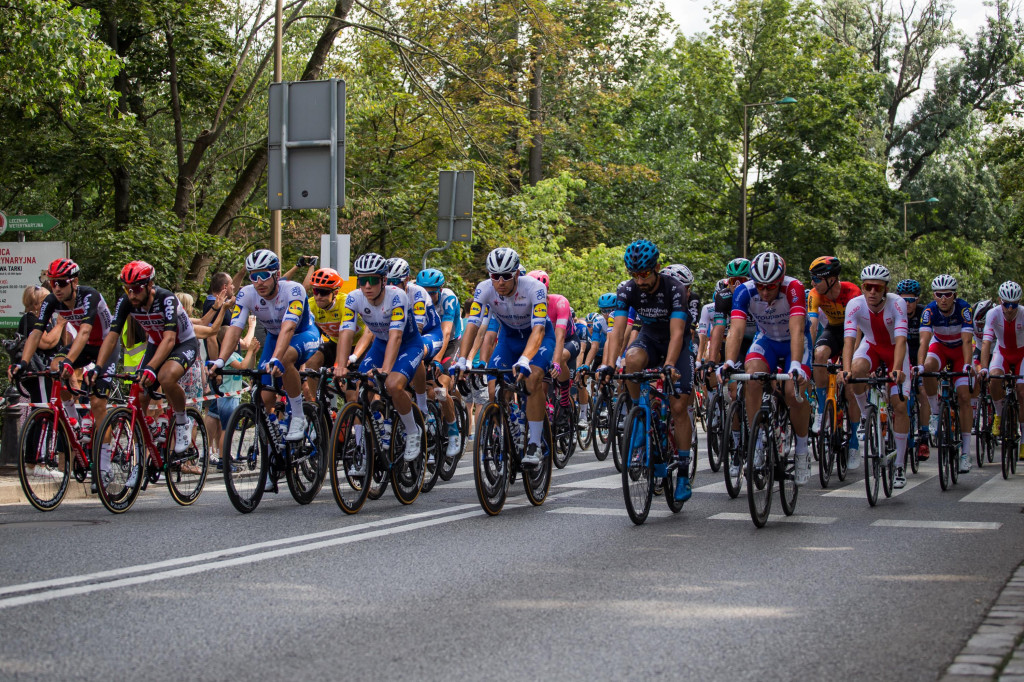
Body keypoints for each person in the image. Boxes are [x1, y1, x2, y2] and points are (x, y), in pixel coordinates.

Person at [208, 249, 321, 489]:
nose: (258, 282)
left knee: (286, 359)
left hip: (302, 335)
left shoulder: (294, 290)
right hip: (273, 337)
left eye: (264, 275)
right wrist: (219, 361)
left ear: (277, 274)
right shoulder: (247, 294)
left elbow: (289, 329)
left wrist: (277, 360)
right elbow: (234, 330)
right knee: (263, 397)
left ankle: (298, 414)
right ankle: (273, 459)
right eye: (253, 276)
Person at [598, 240, 694, 502]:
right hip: (650, 338)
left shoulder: (674, 289)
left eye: (645, 274)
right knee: (631, 359)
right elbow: (617, 332)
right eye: (634, 274)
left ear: (657, 268)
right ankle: (639, 415)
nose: (640, 281)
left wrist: (670, 365)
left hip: (676, 342)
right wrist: (609, 363)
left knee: (678, 407)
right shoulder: (627, 289)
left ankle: (683, 471)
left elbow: (676, 334)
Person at [10, 258, 115, 486]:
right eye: (52, 282)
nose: (56, 287)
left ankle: (105, 465)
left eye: (61, 283)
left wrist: (70, 360)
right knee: (56, 367)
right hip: (85, 345)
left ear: (74, 282)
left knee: (97, 404)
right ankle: (74, 421)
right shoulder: (51, 300)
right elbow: (36, 333)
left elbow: (85, 331)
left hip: (106, 345)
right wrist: (23, 363)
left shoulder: (89, 296)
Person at [452, 247, 555, 468]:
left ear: (517, 273)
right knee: (494, 389)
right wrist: (463, 359)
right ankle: (510, 426)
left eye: (506, 276)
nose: (500, 281)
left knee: (532, 378)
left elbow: (538, 331)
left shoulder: (534, 289)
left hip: (538, 338)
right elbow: (473, 325)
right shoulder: (484, 289)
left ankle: (535, 443)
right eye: (494, 276)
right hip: (508, 340)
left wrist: (526, 359)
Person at [91, 262, 200, 464]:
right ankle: (146, 438)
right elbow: (112, 336)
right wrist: (98, 367)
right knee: (139, 391)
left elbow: (169, 339)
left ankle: (182, 421)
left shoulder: (166, 298)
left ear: (150, 285)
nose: (131, 294)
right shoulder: (126, 302)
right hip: (155, 343)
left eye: (137, 289)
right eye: (127, 289)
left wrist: (150, 368)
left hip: (182, 343)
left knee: (165, 377)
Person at [720, 251, 812, 485]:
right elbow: (737, 330)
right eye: (760, 286)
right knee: (751, 378)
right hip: (767, 340)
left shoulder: (794, 288)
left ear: (780, 281)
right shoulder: (743, 291)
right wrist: (729, 362)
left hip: (793, 341)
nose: (764, 292)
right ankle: (757, 441)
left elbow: (798, 330)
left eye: (770, 287)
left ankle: (802, 452)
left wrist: (794, 365)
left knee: (793, 392)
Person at [334, 253, 426, 464]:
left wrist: (385, 369)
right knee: (359, 386)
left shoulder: (397, 296)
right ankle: (372, 434)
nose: (367, 286)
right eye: (362, 280)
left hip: (408, 344)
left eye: (373, 280)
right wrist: (341, 365)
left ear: (384, 280)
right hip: (380, 345)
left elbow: (396, 335)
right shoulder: (353, 298)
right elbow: (346, 332)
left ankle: (413, 432)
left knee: (393, 385)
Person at [841, 264, 911, 487]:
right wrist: (846, 369)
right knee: (856, 369)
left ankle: (899, 466)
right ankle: (865, 416)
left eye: (877, 288)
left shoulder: (897, 303)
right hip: (871, 346)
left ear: (885, 289)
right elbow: (849, 341)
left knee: (898, 404)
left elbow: (901, 340)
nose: (872, 292)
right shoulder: (855, 304)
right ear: (862, 287)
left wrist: (897, 369)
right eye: (867, 287)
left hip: (894, 350)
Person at [916, 273, 975, 474]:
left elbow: (967, 341)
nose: (943, 298)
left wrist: (967, 365)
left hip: (960, 351)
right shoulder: (929, 310)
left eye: (947, 294)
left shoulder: (964, 309)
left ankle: (966, 453)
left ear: (954, 295)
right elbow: (924, 341)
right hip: (940, 347)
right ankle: (934, 412)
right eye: (939, 294)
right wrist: (920, 365)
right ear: (934, 295)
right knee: (928, 368)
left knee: (965, 396)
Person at [807, 256, 860, 433]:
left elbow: (858, 330)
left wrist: (848, 363)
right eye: (811, 278)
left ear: (831, 279)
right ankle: (822, 408)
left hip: (854, 331)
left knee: (850, 389)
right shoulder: (815, 294)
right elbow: (813, 327)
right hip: (834, 329)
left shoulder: (852, 291)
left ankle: (853, 440)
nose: (812, 283)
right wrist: (807, 355)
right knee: (819, 354)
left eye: (816, 279)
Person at [979, 281, 1024, 461]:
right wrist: (983, 368)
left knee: (1022, 392)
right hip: (1002, 352)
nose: (1010, 308)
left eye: (1014, 304)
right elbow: (986, 343)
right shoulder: (993, 314)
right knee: (995, 378)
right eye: (1006, 304)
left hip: (1022, 355)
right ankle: (998, 415)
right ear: (1000, 301)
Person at [897, 278, 928, 461]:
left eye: (911, 300)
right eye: (903, 300)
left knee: (922, 391)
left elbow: (926, 341)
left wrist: (922, 364)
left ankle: (924, 434)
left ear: (917, 300)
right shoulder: (895, 311)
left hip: (919, 354)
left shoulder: (924, 313)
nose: (907, 304)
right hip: (902, 354)